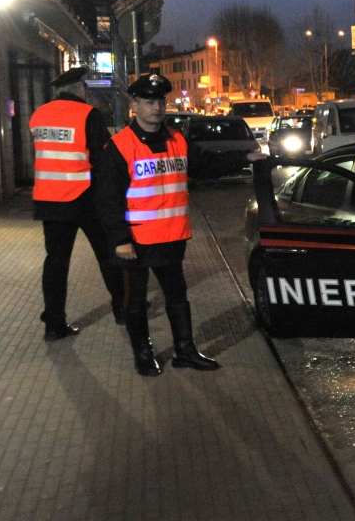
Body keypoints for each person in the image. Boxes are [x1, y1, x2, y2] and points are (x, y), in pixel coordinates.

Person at [95, 73, 267, 376]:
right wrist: (119, 239)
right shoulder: (120, 147)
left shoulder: (177, 140)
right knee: (135, 302)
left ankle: (185, 351)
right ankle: (144, 355)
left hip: (171, 238)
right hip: (134, 242)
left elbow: (206, 166)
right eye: (149, 101)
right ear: (134, 104)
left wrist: (246, 157)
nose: (157, 107)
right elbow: (108, 199)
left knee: (177, 296)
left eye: (160, 101)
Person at [30, 66, 125, 340]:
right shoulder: (88, 114)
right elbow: (101, 158)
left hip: (49, 200)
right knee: (107, 254)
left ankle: (54, 324)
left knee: (56, 263)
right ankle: (122, 307)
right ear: (80, 89)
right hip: (85, 198)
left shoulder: (38, 115)